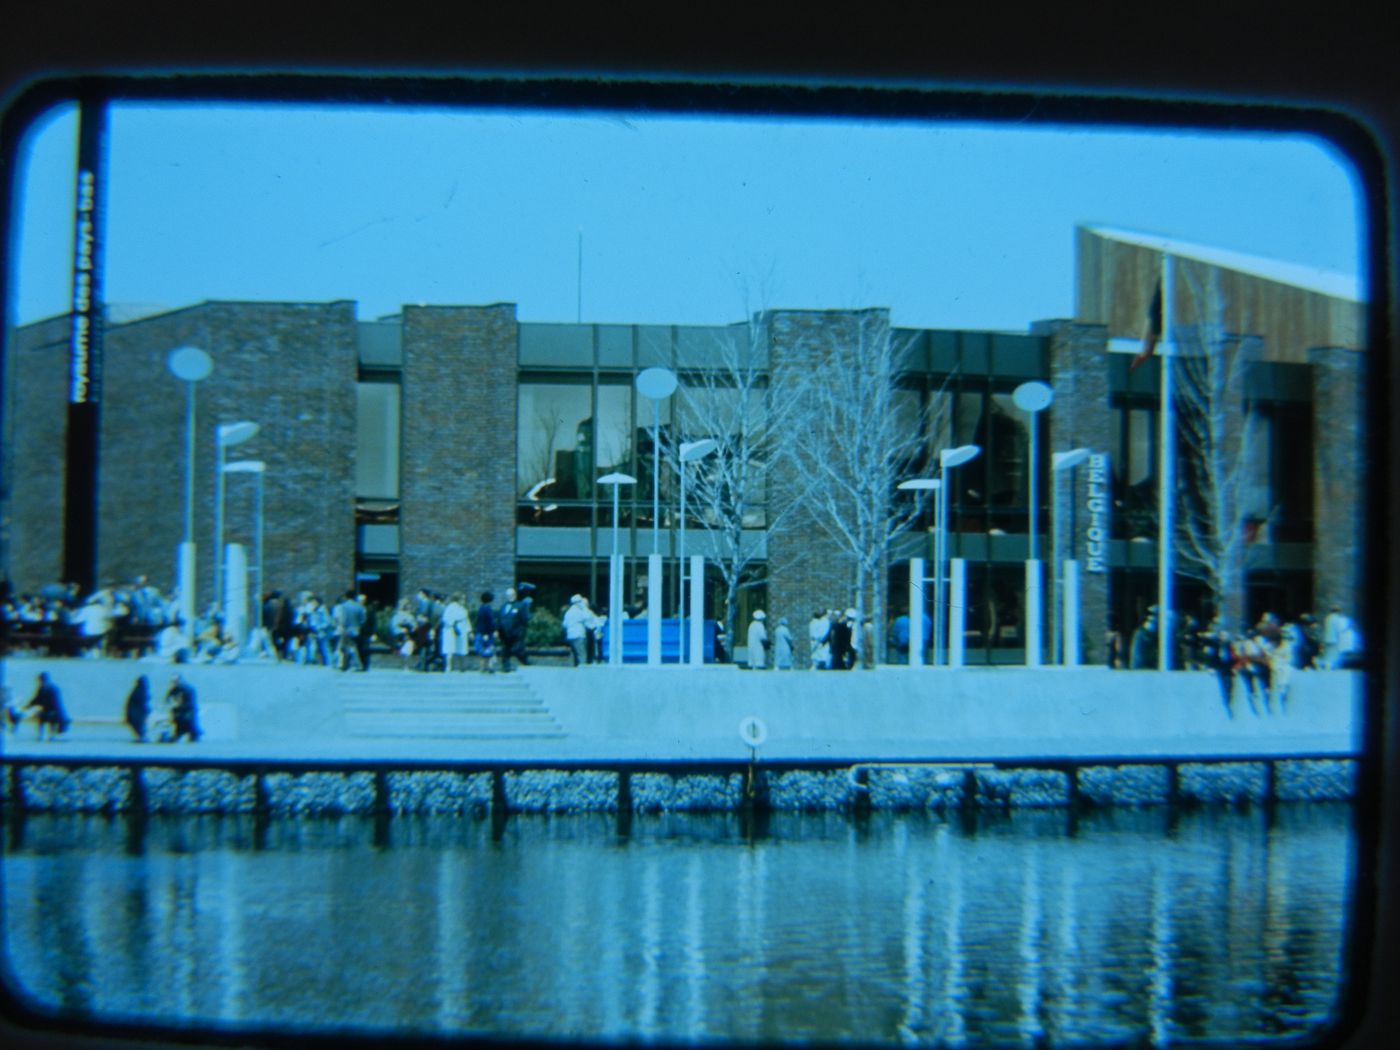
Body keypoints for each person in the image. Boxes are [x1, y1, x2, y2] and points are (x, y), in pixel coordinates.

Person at [25, 672, 70, 740]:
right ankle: (40, 735)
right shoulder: (41, 689)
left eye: (41, 680)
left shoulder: (53, 689)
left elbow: (56, 703)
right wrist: (28, 706)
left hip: (55, 711)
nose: (40, 682)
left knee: (50, 716)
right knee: (40, 715)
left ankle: (51, 735)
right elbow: (36, 699)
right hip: (46, 710)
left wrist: (53, 711)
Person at [497, 586, 532, 672]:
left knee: (518, 649)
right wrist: (498, 630)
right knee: (505, 650)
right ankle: (505, 667)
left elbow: (525, 619)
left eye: (512, 594)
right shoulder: (503, 606)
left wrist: (522, 631)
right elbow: (499, 619)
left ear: (515, 595)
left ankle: (526, 662)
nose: (510, 596)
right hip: (504, 633)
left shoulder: (520, 605)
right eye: (508, 595)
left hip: (516, 633)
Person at [164, 673, 201, 743]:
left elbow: (190, 703)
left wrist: (178, 707)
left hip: (188, 711)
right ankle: (180, 735)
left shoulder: (187, 689)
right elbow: (168, 697)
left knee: (188, 724)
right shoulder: (175, 689)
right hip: (182, 711)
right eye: (173, 681)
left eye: (175, 681)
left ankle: (192, 736)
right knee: (181, 725)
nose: (174, 683)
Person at [440, 593, 470, 672]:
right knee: (450, 649)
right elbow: (446, 619)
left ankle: (462, 666)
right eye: (462, 599)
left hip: (461, 631)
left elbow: (466, 620)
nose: (464, 601)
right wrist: (453, 624)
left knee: (461, 649)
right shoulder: (450, 607)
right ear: (458, 599)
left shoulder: (462, 609)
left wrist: (468, 630)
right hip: (451, 630)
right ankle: (448, 666)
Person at [562, 594, 591, 667]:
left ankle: (573, 669)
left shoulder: (568, 612)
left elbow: (564, 625)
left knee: (574, 653)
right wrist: (585, 608)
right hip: (579, 635)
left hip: (570, 635)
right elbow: (588, 617)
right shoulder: (579, 611)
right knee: (581, 654)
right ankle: (583, 669)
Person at [473, 591, 497, 673]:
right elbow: (490, 621)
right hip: (487, 633)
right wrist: (488, 632)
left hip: (481, 632)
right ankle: (489, 666)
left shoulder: (481, 608)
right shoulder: (488, 608)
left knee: (482, 650)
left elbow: (478, 622)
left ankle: (483, 667)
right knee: (489, 648)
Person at [125, 674, 151, 741]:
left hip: (133, 714)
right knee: (140, 725)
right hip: (137, 714)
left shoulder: (136, 691)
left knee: (139, 725)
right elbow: (143, 703)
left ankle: (141, 736)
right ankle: (142, 736)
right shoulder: (142, 691)